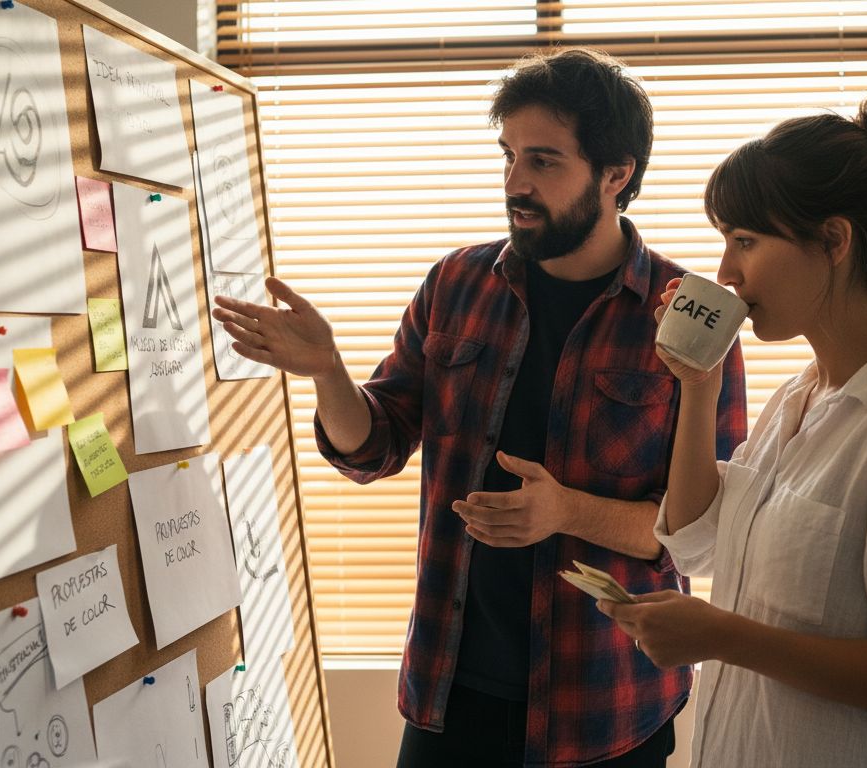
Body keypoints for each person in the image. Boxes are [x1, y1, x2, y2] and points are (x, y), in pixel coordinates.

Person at [212, 48, 747, 767]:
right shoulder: (457, 283)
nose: (515, 182)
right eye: (509, 155)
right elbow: (373, 449)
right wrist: (327, 372)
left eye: (545, 161)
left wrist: (567, 512)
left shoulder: (685, 320)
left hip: (605, 705)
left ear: (617, 174)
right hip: (450, 693)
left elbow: (701, 530)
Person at [599, 91, 867, 767]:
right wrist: (696, 389)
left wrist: (724, 638)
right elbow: (697, 541)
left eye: (745, 241)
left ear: (834, 241)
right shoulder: (799, 398)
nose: (726, 271)